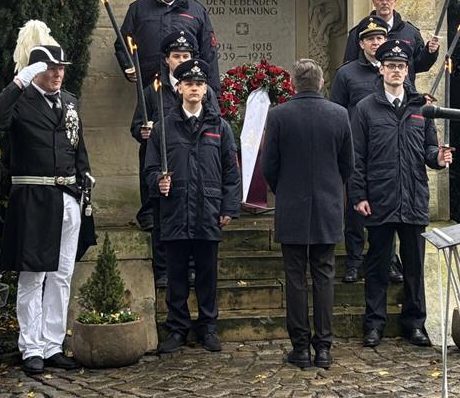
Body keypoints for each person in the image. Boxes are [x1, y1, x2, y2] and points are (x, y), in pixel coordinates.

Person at [0, 41, 96, 375]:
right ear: (36, 71)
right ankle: (31, 347)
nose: (57, 74)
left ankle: (53, 343)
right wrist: (17, 85)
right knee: (33, 275)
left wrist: (84, 177)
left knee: (62, 274)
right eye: (50, 68)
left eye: (61, 68)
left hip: (67, 195)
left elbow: (77, 145)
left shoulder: (69, 101)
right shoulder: (20, 102)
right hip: (34, 196)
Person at [349, 40, 452, 348]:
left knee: (414, 267)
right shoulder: (365, 108)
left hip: (413, 197)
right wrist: (359, 195)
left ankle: (415, 324)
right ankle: (374, 323)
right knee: (378, 265)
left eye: (401, 66)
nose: (396, 71)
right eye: (390, 66)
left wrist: (438, 158)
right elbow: (356, 157)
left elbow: (429, 149)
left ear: (408, 71)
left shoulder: (422, 107)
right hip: (379, 197)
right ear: (381, 69)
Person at [262, 59, 354, 369]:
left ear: (294, 83)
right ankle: (323, 348)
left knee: (296, 278)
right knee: (325, 277)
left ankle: (301, 348)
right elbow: (348, 166)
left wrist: (284, 190)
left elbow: (269, 166)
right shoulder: (339, 115)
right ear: (321, 82)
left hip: (292, 207)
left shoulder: (278, 116)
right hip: (327, 207)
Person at [145, 59, 241, 356]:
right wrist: (156, 182)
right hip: (175, 211)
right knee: (175, 277)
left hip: (207, 211)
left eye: (199, 84)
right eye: (189, 84)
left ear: (205, 89)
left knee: (207, 276)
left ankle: (208, 327)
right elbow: (149, 169)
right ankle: (177, 328)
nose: (194, 88)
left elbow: (231, 171)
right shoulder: (164, 127)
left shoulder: (219, 127)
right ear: (180, 89)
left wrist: (228, 207)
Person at [130, 30, 211, 286]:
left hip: (191, 165)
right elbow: (135, 126)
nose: (180, 60)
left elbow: (212, 120)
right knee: (161, 218)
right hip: (161, 164)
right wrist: (143, 131)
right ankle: (163, 270)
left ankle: (190, 268)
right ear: (167, 59)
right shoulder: (153, 90)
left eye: (185, 55)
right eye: (176, 56)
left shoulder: (198, 88)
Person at [331, 15, 387, 284]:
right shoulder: (347, 73)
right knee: (355, 208)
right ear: (361, 43)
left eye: (380, 38)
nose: (376, 43)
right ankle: (354, 260)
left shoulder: (394, 69)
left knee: (385, 208)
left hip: (385, 149)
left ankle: (386, 261)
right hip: (355, 149)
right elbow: (337, 111)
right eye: (370, 39)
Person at [114, 0, 220, 91]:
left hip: (187, 85)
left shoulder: (196, 11)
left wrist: (213, 93)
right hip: (150, 83)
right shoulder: (139, 9)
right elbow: (123, 42)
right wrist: (128, 64)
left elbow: (208, 52)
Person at [342, 0, 439, 83]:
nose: (384, 2)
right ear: (373, 1)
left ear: (395, 1)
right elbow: (349, 67)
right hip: (367, 91)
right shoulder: (358, 32)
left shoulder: (411, 32)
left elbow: (419, 66)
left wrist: (430, 53)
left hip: (402, 93)